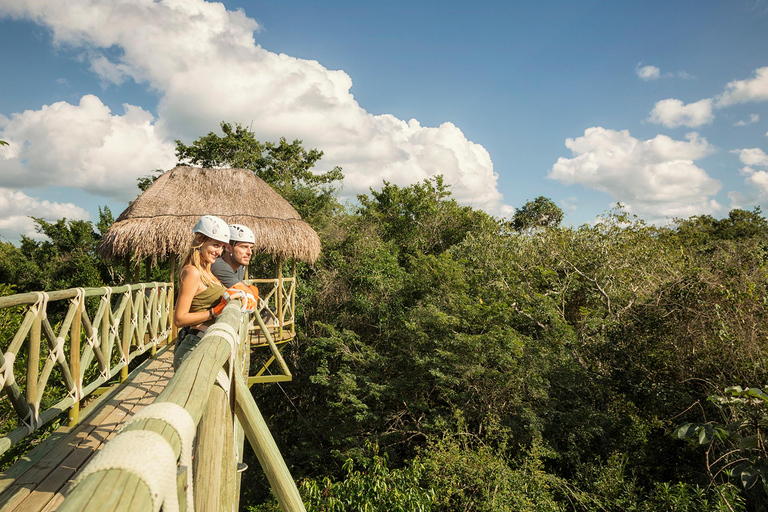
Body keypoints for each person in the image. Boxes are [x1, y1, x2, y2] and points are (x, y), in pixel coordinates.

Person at [173, 215, 255, 369]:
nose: (219, 251)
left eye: (222, 246)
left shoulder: (207, 270)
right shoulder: (193, 272)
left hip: (206, 344)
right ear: (199, 239)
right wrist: (215, 312)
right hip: (194, 346)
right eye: (215, 245)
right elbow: (179, 319)